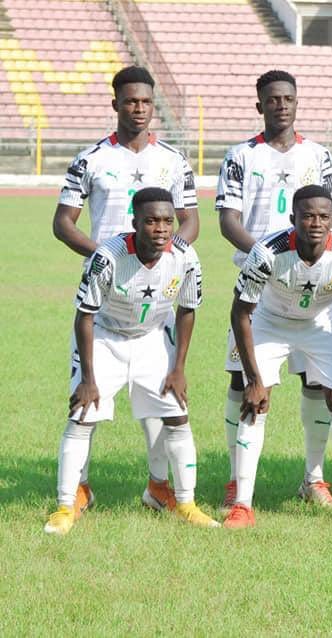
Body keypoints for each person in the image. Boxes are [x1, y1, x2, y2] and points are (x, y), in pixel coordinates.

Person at [52, 65, 199, 514]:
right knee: (87, 402)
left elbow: (190, 220)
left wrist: (166, 257)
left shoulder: (174, 160)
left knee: (163, 404)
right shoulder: (91, 159)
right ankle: (77, 491)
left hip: (155, 304)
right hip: (107, 298)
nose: (139, 108)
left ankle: (161, 487)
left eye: (146, 101)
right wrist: (109, 256)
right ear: (115, 103)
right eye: (131, 101)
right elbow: (63, 222)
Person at [44, 188, 216, 535]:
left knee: (177, 416)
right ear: (135, 222)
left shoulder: (185, 256)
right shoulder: (108, 256)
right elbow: (85, 316)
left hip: (153, 338)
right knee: (82, 416)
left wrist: (178, 368)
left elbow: (187, 310)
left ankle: (185, 503)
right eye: (151, 221)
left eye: (167, 221)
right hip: (104, 337)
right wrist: (88, 379)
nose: (161, 229)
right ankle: (65, 507)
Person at [216, 70, 332, 513]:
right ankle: (236, 480)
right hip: (259, 289)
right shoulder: (241, 156)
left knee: (317, 382)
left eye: (288, 98)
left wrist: (320, 262)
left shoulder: (319, 155)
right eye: (272, 99)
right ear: (260, 105)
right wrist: (270, 259)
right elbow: (228, 221)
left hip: (313, 287)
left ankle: (314, 477)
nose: (281, 105)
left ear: (296, 102)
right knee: (244, 381)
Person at [223, 185, 332, 530]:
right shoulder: (267, 252)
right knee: (255, 403)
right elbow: (240, 312)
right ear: (293, 218)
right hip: (269, 322)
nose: (317, 223)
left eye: (324, 216)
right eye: (308, 216)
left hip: (320, 323)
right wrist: (254, 380)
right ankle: (242, 505)